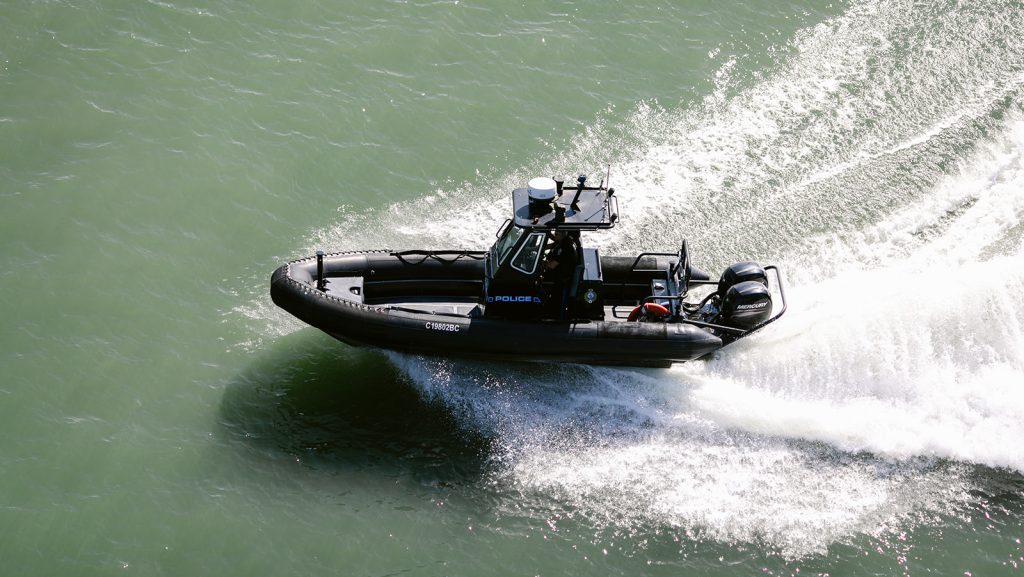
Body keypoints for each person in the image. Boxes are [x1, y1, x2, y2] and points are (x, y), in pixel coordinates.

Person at [541, 230, 581, 319]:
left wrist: (539, 262)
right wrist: (537, 248)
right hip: (558, 275)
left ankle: (557, 317)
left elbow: (551, 265)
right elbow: (552, 245)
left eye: (556, 234)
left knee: (557, 301)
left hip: (562, 280)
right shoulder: (564, 241)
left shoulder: (565, 247)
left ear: (563, 234)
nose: (554, 236)